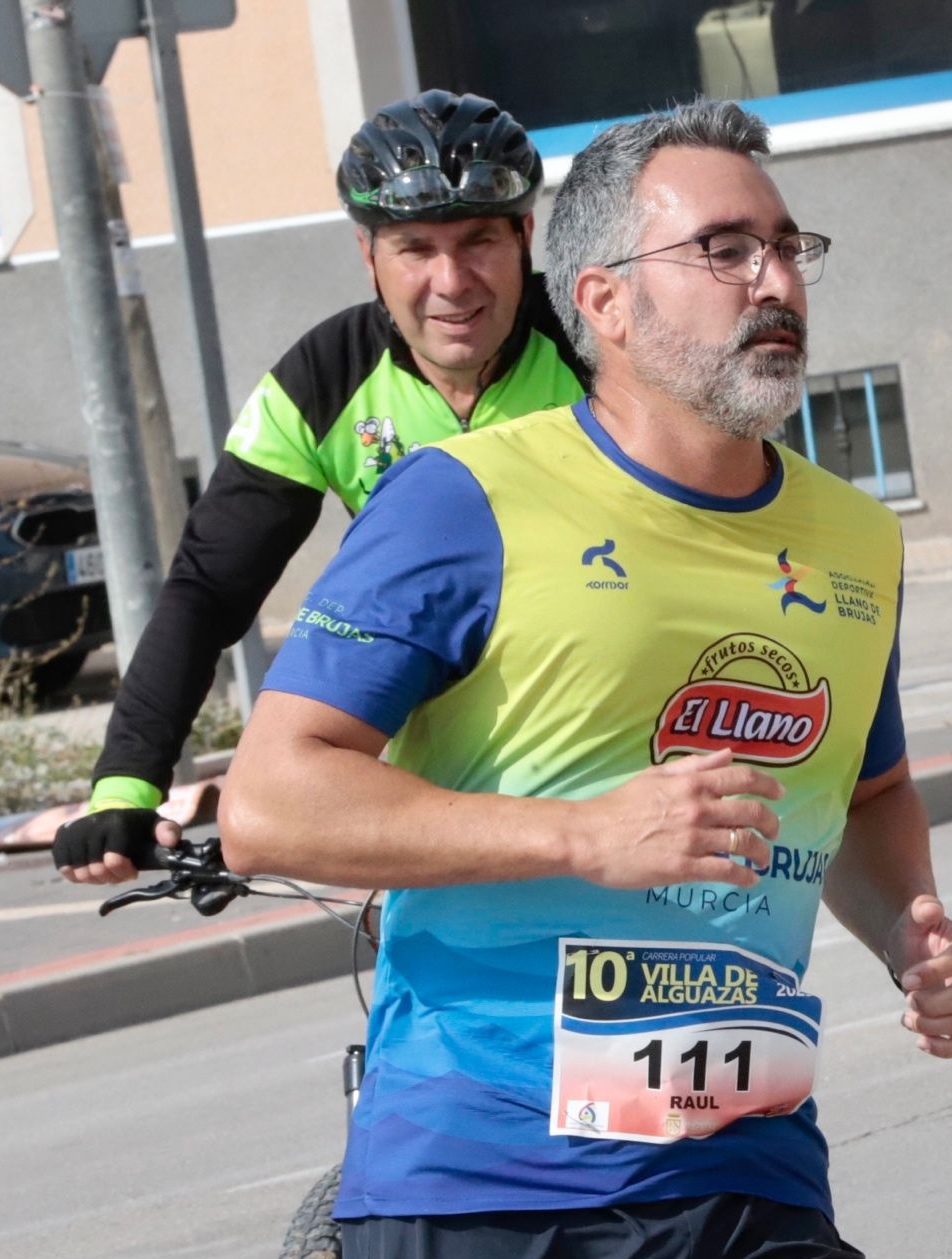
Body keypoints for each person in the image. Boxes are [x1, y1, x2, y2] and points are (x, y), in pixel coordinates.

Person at [218, 99, 952, 1259]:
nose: (774, 280)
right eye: (724, 250)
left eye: (788, 247)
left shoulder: (852, 538)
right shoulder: (461, 501)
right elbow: (265, 805)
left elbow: (868, 792)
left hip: (748, 1179)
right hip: (483, 1189)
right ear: (604, 300)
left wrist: (911, 936)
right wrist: (582, 836)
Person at [54, 90, 585, 886]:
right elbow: (207, 588)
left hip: (605, 755)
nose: (451, 281)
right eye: (414, 247)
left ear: (525, 237)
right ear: (367, 255)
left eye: (479, 240)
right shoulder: (323, 377)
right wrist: (127, 783)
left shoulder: (599, 345)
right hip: (435, 791)